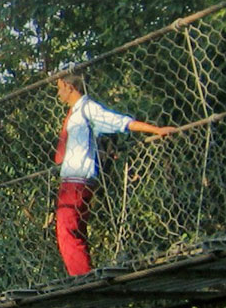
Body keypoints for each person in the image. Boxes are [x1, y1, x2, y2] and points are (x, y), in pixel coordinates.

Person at [53, 71, 179, 276]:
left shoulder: (88, 109)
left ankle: (82, 278)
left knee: (66, 230)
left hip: (78, 179)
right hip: (71, 180)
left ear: (69, 87)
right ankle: (84, 273)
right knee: (75, 228)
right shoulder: (75, 113)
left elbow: (119, 122)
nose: (59, 94)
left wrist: (155, 130)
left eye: (59, 88)